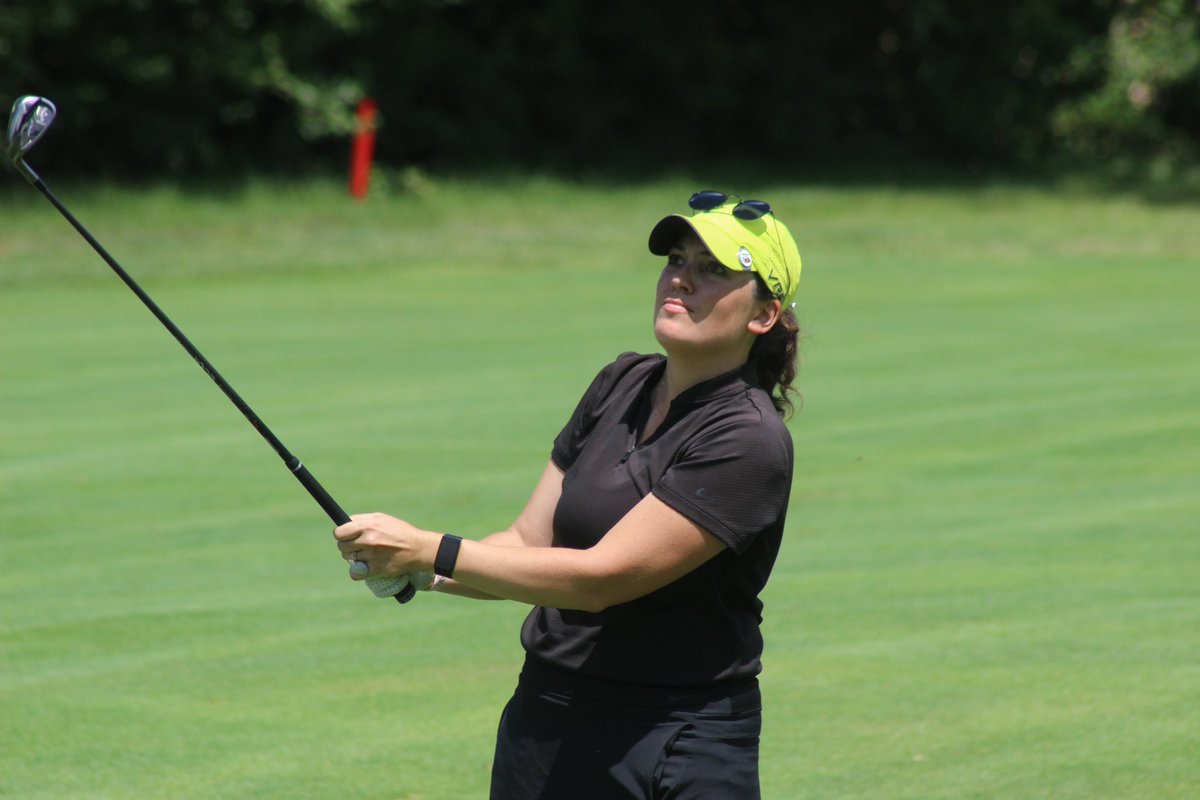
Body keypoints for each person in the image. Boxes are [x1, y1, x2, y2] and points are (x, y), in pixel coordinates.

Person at [334, 190, 803, 799]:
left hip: (674, 738)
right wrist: (418, 572)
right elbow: (529, 542)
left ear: (763, 315)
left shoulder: (748, 439)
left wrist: (431, 550)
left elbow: (599, 580)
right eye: (677, 260)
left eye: (714, 270)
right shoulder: (622, 381)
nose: (682, 279)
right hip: (547, 722)